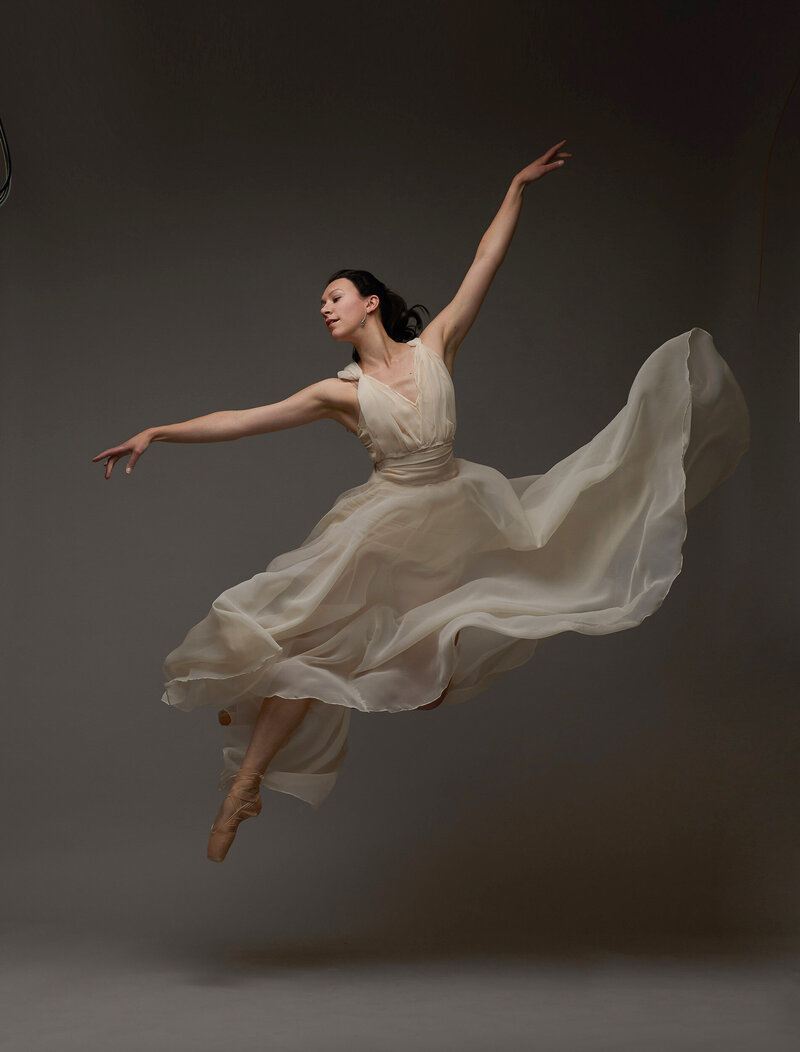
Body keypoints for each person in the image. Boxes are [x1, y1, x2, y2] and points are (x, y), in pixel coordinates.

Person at [92, 140, 750, 863]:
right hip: (383, 527)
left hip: (460, 515)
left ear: (371, 301)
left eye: (333, 297)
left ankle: (257, 724)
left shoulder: (436, 346)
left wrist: (516, 188)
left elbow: (483, 263)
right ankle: (246, 780)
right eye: (319, 303)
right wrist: (159, 431)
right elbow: (242, 419)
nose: (324, 309)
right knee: (310, 648)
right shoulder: (338, 394)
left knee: (428, 679)